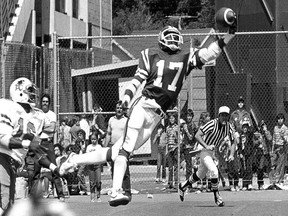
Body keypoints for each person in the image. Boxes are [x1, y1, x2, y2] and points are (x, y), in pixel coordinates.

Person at [59, 22, 237, 206]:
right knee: (125, 150)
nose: (174, 39)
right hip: (143, 107)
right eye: (170, 35)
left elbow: (209, 52)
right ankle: (116, 191)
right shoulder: (151, 54)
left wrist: (229, 34)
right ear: (161, 39)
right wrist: (127, 98)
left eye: (176, 36)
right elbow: (138, 79)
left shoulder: (186, 57)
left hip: (157, 117)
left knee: (114, 153)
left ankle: (75, 160)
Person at [0, 77, 59, 215]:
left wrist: (53, 167)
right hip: (2, 157)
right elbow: (1, 137)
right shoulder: (7, 106)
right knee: (4, 202)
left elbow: (36, 151)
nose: (33, 94)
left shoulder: (37, 117)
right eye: (30, 90)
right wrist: (27, 143)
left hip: (13, 163)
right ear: (19, 92)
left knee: (9, 205)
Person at [178, 106, 238, 207]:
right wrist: (206, 145)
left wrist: (231, 154)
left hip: (211, 152)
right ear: (218, 116)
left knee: (200, 174)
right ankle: (217, 197)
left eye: (226, 115)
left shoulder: (229, 126)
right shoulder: (212, 124)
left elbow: (233, 141)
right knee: (214, 171)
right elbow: (197, 135)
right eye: (222, 115)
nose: (224, 118)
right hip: (204, 150)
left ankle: (183, 186)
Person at [35, 93, 65, 201]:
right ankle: (33, 196)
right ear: (41, 102)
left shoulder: (52, 114)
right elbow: (34, 128)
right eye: (43, 101)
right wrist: (44, 127)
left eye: (47, 102)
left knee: (54, 168)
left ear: (49, 103)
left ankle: (61, 194)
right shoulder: (37, 114)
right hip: (38, 143)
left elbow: (52, 129)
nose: (45, 103)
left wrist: (40, 128)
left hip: (48, 143)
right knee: (35, 170)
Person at [103, 100, 131, 199]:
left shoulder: (126, 120)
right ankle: (116, 191)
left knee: (125, 171)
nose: (119, 110)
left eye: (120, 108)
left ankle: (127, 191)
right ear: (115, 109)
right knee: (114, 170)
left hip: (123, 148)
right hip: (113, 147)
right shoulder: (111, 120)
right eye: (117, 108)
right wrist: (105, 147)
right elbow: (108, 134)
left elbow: (129, 135)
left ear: (123, 110)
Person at [253, 120, 272, 190]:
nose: (262, 127)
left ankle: (271, 182)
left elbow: (270, 139)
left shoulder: (267, 132)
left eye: (264, 125)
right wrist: (258, 141)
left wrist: (266, 131)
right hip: (260, 153)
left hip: (266, 152)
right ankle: (260, 183)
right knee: (260, 168)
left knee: (269, 167)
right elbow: (253, 143)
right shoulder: (256, 134)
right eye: (261, 126)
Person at [271, 113, 288, 184]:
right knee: (275, 163)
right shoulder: (275, 128)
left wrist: (283, 136)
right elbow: (274, 139)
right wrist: (272, 149)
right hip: (276, 147)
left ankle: (280, 180)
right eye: (278, 119)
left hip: (282, 147)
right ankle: (274, 178)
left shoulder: (285, 128)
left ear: (283, 120)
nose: (280, 120)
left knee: (281, 163)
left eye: (281, 119)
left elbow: (287, 140)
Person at [181, 109, 198, 181]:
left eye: (190, 116)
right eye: (188, 116)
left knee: (190, 166)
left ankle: (189, 182)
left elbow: (191, 137)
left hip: (190, 147)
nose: (189, 118)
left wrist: (186, 130)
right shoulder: (186, 124)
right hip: (185, 147)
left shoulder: (192, 125)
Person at [86, 132, 103, 202]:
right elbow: (87, 155)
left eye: (94, 139)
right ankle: (92, 196)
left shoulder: (99, 147)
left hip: (97, 165)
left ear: (97, 139)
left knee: (98, 181)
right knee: (92, 182)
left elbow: (101, 156)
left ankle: (98, 196)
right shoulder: (89, 147)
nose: (93, 141)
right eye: (92, 139)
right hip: (90, 165)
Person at [166, 112, 179, 189]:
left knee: (176, 166)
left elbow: (178, 139)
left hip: (175, 147)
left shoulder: (176, 127)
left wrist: (176, 135)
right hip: (169, 148)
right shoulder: (167, 128)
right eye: (170, 118)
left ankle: (177, 182)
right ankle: (170, 182)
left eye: (173, 118)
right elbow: (167, 138)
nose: (171, 119)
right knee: (170, 167)